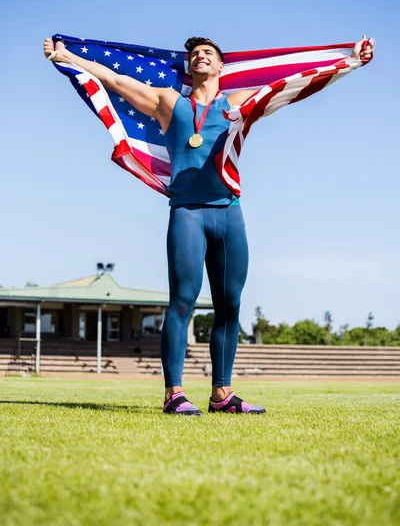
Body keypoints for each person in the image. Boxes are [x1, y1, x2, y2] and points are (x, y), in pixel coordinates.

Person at [43, 35, 373, 416]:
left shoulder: (236, 104)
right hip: (187, 212)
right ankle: (174, 394)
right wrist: (65, 55)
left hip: (229, 213)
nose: (200, 57)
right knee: (182, 301)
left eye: (208, 54)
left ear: (220, 67)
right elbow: (116, 81)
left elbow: (293, 84)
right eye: (195, 54)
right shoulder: (169, 102)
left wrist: (347, 62)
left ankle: (222, 395)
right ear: (189, 67)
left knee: (229, 305)